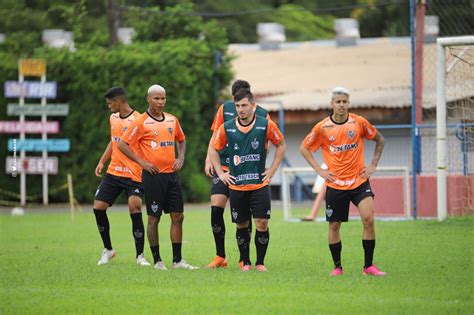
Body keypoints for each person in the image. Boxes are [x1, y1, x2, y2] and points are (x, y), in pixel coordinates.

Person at [300, 87, 386, 276]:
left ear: (348, 103)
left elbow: (380, 140)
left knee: (368, 219)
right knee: (334, 226)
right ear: (332, 104)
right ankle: (337, 267)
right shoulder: (322, 127)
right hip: (335, 184)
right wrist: (319, 170)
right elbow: (304, 148)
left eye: (344, 101)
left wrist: (372, 165)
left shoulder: (359, 122)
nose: (341, 105)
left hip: (359, 181)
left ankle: (368, 266)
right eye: (338, 102)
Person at [119, 84, 198, 270]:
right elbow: (123, 144)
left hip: (172, 176)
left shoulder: (172, 120)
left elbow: (182, 139)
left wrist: (181, 157)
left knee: (178, 216)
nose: (161, 102)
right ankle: (157, 261)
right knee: (154, 218)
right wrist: (143, 163)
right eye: (157, 98)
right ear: (148, 99)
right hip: (153, 177)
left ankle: (178, 261)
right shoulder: (141, 122)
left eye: (163, 98)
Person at [208, 88, 286, 272]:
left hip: (259, 184)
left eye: (244, 105)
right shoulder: (227, 127)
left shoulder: (265, 124)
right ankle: (246, 262)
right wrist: (220, 173)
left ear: (253, 106)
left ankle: (260, 262)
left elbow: (281, 144)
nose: (241, 109)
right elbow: (213, 148)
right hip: (237, 186)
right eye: (237, 106)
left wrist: (273, 169)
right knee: (241, 224)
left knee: (262, 223)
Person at [93, 86, 150, 266]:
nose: (109, 107)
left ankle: (140, 256)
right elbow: (114, 140)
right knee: (98, 207)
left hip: (134, 174)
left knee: (135, 207)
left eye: (110, 103)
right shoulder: (113, 118)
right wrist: (102, 160)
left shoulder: (138, 120)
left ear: (118, 101)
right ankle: (108, 250)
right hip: (114, 171)